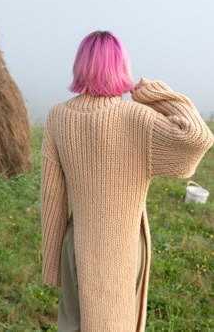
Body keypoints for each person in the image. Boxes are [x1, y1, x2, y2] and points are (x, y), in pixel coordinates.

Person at [40, 30, 214, 332]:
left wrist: (53, 264)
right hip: (123, 247)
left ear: (80, 65)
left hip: (76, 242)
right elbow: (197, 137)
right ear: (121, 66)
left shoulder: (58, 117)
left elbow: (52, 198)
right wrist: (153, 93)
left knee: (73, 323)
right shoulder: (138, 118)